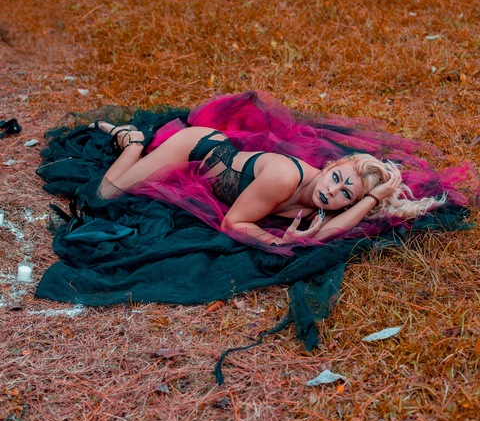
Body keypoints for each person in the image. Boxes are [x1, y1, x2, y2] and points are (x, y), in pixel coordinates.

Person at [90, 120, 446, 248]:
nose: (331, 191)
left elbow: (323, 235)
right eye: (336, 178)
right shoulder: (285, 177)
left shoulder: (322, 206)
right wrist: (278, 240)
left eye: (345, 195)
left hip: (220, 176)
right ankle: (133, 141)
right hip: (197, 149)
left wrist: (372, 198)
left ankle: (139, 149)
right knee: (105, 195)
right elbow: (233, 223)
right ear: (330, 166)